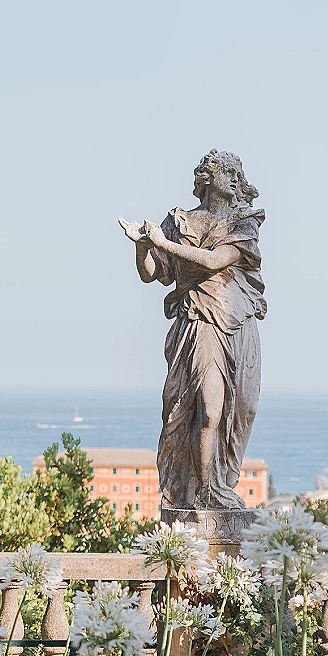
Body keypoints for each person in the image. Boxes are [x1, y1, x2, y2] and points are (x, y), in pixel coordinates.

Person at [119, 149, 266, 510]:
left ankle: (221, 481)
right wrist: (143, 246)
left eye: (237, 172)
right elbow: (154, 273)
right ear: (206, 178)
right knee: (208, 408)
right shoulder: (179, 220)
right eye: (225, 171)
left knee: (242, 409)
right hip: (199, 321)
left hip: (237, 322)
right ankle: (205, 493)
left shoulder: (242, 222)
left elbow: (216, 260)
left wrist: (162, 243)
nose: (234, 177)